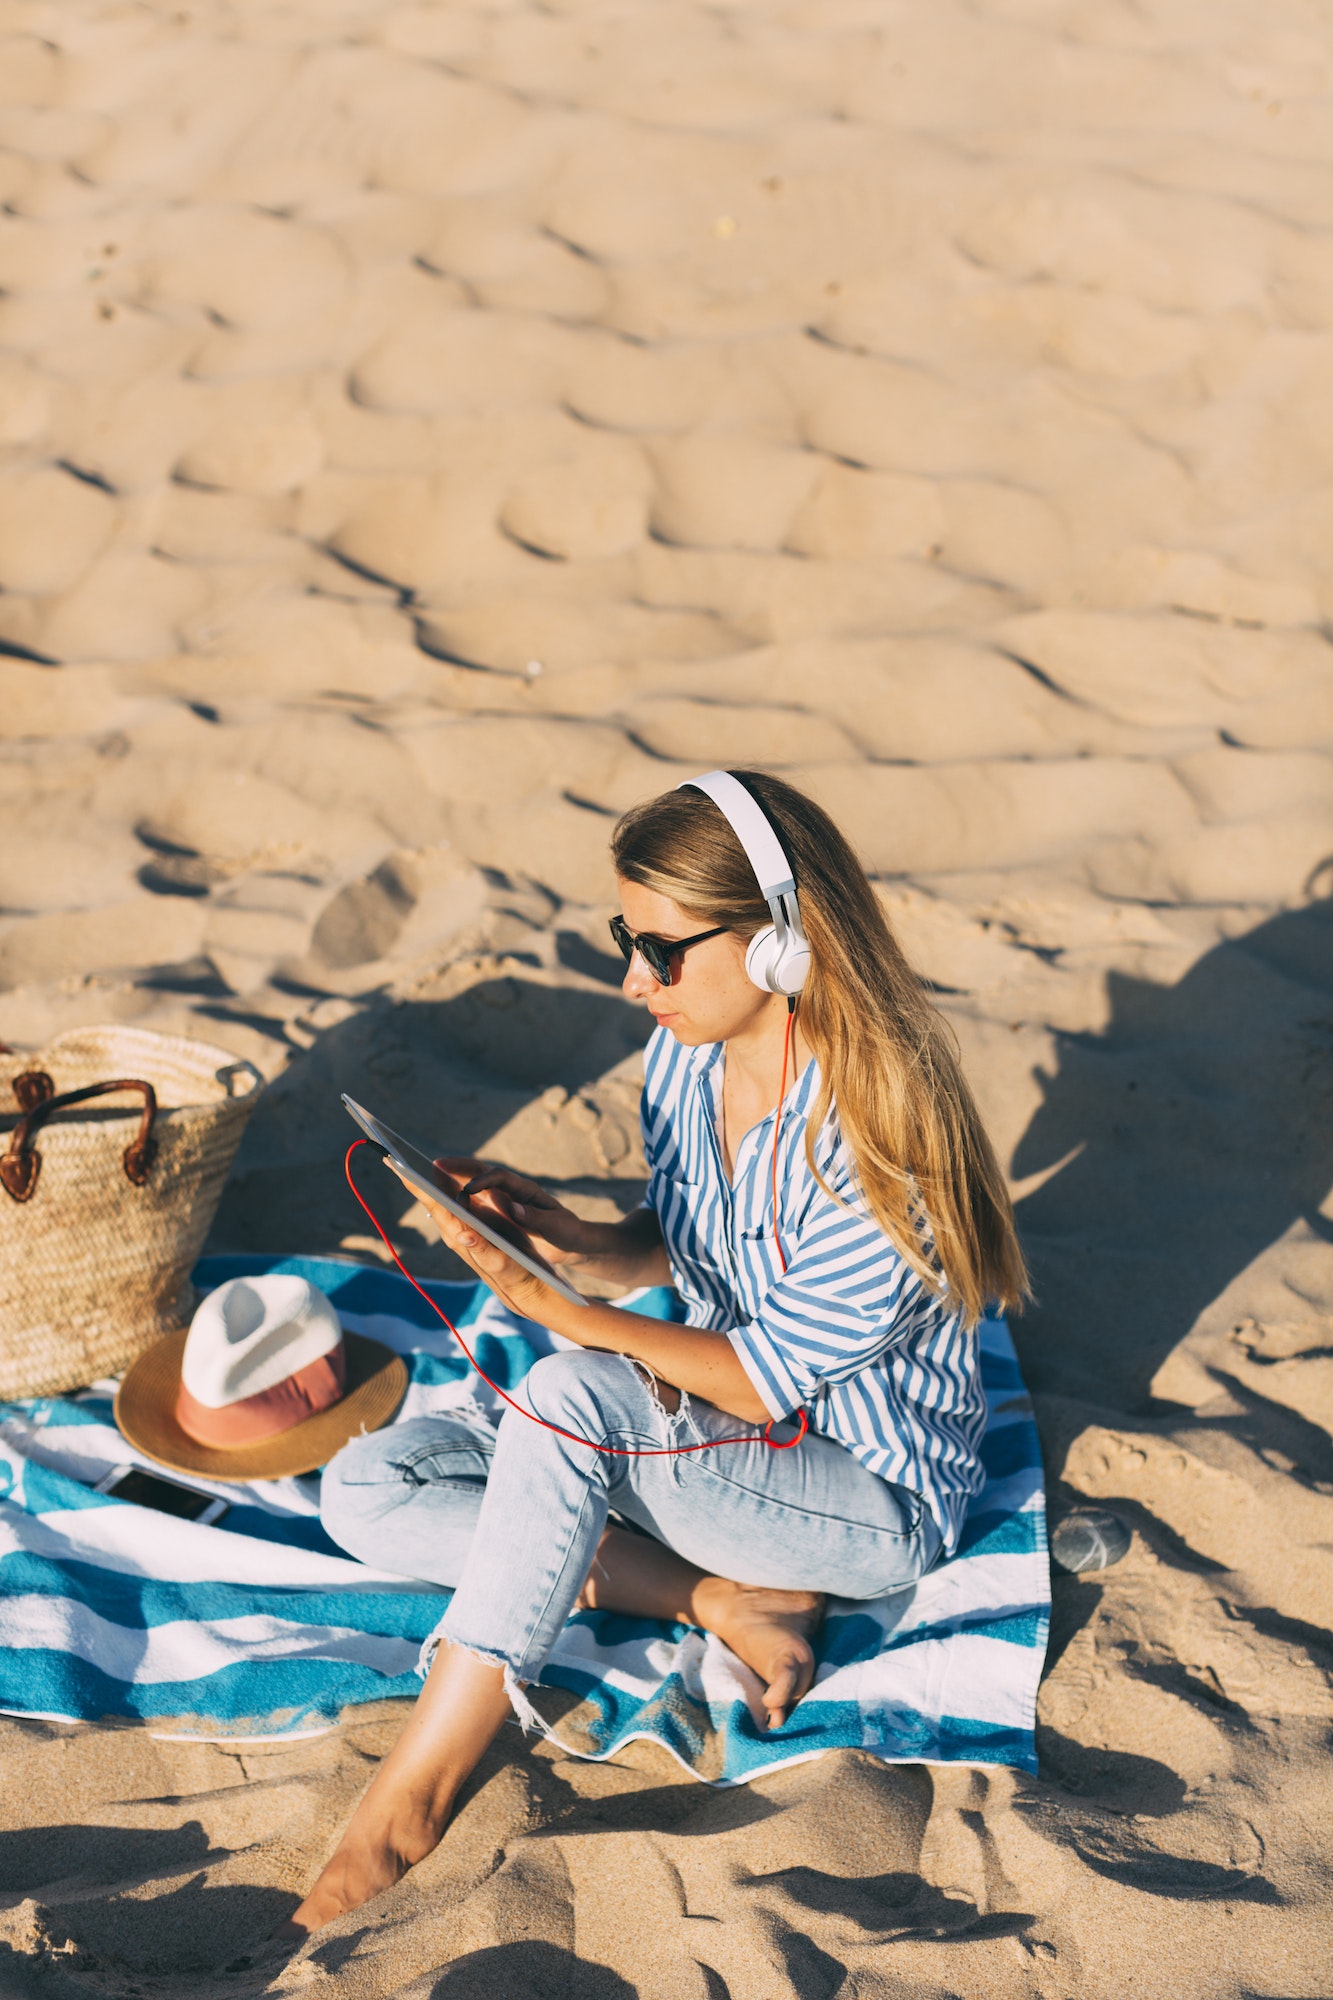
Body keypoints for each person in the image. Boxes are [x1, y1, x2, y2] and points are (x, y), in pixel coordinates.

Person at [285, 769, 1027, 1936]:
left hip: (862, 1492)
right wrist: (576, 1236)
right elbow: (680, 1241)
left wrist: (569, 1311)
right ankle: (722, 1595)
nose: (635, 977)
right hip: (707, 1452)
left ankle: (412, 1795)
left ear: (782, 944)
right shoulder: (684, 1057)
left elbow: (761, 1375)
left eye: (664, 949)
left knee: (572, 1392)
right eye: (624, 937)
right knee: (371, 1482)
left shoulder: (887, 1143)